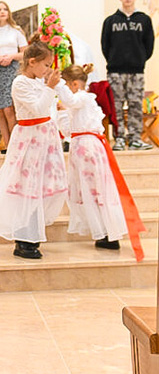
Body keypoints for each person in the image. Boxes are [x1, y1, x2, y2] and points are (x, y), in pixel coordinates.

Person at [0, 41, 68, 259]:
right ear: (32, 62)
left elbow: (50, 109)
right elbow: (36, 110)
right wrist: (50, 87)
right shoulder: (20, 83)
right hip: (30, 141)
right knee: (27, 188)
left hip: (45, 140)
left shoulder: (40, 82)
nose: (48, 69)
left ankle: (33, 235)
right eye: (45, 65)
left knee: (43, 187)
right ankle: (24, 240)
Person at [58, 63, 145, 251]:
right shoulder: (80, 102)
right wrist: (62, 112)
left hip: (88, 149)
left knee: (96, 191)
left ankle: (108, 233)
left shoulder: (83, 97)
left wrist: (56, 85)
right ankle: (104, 233)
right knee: (89, 190)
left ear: (74, 84)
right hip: (80, 146)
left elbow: (71, 102)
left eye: (64, 85)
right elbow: (68, 130)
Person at [101, 0, 154, 151]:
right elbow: (105, 45)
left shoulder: (144, 20)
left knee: (135, 104)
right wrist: (114, 60)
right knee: (116, 105)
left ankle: (135, 138)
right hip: (115, 71)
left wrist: (139, 60)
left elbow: (149, 45)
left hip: (136, 71)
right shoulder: (111, 21)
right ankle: (119, 139)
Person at [0, 1, 28, 153]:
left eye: (5, 9)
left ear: (9, 13)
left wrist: (11, 57)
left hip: (12, 69)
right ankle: (8, 145)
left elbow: (25, 53)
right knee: (1, 110)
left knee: (9, 108)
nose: (2, 12)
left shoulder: (16, 31)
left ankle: (17, 144)